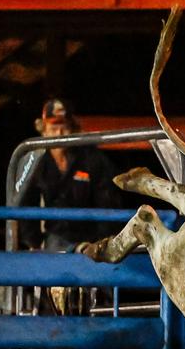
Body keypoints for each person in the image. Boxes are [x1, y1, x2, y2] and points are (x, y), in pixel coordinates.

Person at [19, 98, 122, 252]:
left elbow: (108, 200)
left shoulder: (92, 159)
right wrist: (33, 242)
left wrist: (102, 243)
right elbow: (26, 201)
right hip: (54, 238)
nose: (59, 133)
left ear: (72, 128)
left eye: (64, 127)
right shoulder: (35, 162)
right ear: (44, 130)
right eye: (53, 127)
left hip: (91, 239)